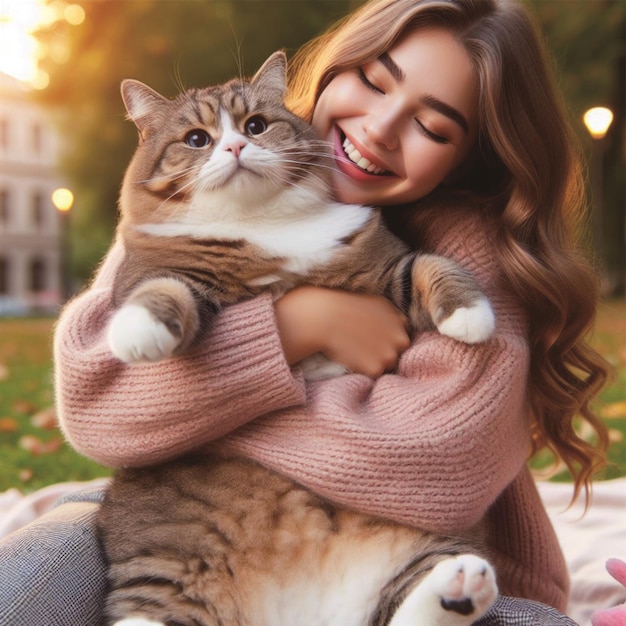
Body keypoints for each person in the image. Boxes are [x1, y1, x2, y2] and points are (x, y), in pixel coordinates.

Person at [0, 0, 610, 624]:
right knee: (36, 566)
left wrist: (194, 413)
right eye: (374, 82)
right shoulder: (182, 220)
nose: (378, 128)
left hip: (389, 545)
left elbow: (440, 462)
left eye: (433, 126)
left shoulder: (473, 246)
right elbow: (101, 408)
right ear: (332, 71)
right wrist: (294, 329)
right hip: (198, 528)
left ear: (472, 154)